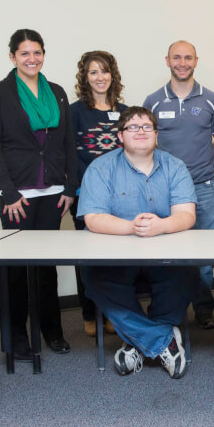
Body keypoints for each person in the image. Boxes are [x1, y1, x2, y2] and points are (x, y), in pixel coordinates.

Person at [78, 106, 198, 379]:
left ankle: (135, 340)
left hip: (165, 252)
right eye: (133, 127)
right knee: (93, 277)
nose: (141, 131)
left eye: (147, 127)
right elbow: (93, 218)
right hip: (116, 255)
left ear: (156, 134)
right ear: (120, 136)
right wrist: (132, 227)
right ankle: (162, 340)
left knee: (188, 273)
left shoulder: (174, 166)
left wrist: (161, 226)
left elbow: (187, 215)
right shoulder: (101, 168)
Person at [0, 29, 76, 359]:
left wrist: (70, 188)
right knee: (16, 269)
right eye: (24, 53)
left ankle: (52, 331)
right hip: (15, 195)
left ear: (43, 55)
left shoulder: (58, 93)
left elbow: (67, 144)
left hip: (53, 193)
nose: (31, 58)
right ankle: (17, 339)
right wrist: (7, 192)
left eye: (37, 52)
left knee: (46, 268)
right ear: (12, 57)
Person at [144, 40, 214, 329]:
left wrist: (203, 164)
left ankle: (204, 309)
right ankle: (169, 309)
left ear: (196, 61)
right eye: (176, 57)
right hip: (165, 191)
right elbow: (143, 143)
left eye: (187, 57)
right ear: (167, 61)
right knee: (168, 253)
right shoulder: (153, 100)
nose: (182, 62)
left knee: (204, 256)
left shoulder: (212, 100)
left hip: (203, 186)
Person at [70, 50, 128, 336]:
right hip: (86, 196)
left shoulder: (125, 112)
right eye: (93, 72)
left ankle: (111, 312)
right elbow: (68, 154)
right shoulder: (75, 112)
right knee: (88, 260)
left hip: (121, 197)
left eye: (104, 71)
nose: (100, 77)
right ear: (85, 77)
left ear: (112, 75)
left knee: (115, 262)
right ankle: (89, 313)